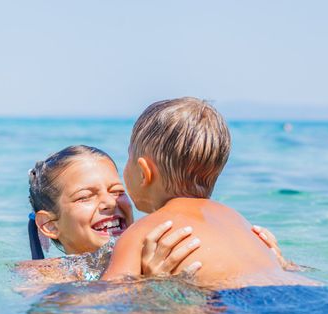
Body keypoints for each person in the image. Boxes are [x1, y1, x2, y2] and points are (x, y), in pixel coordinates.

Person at [102, 97, 315, 288]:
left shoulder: (143, 233)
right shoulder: (238, 221)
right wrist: (284, 266)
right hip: (300, 289)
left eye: (128, 156)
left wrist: (147, 284)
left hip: (231, 304)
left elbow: (106, 303)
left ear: (143, 172)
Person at [22, 145, 288, 284]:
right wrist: (147, 285)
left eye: (117, 190)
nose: (108, 202)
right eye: (85, 196)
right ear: (49, 225)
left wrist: (276, 265)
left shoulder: (153, 249)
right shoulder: (44, 275)